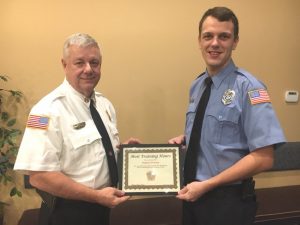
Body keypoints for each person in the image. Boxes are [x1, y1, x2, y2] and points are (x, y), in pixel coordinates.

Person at [169, 7, 286, 225]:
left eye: (224, 36)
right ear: (199, 41)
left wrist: (208, 184)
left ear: (235, 42)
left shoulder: (250, 88)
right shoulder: (198, 85)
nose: (215, 43)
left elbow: (264, 157)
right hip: (192, 194)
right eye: (208, 36)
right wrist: (188, 137)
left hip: (227, 202)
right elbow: (219, 133)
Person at [14, 33, 139, 225]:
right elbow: (39, 176)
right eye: (79, 63)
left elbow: (91, 155)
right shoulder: (45, 111)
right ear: (64, 65)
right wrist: (97, 196)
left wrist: (122, 152)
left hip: (102, 209)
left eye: (94, 63)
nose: (88, 69)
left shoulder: (104, 104)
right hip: (67, 214)